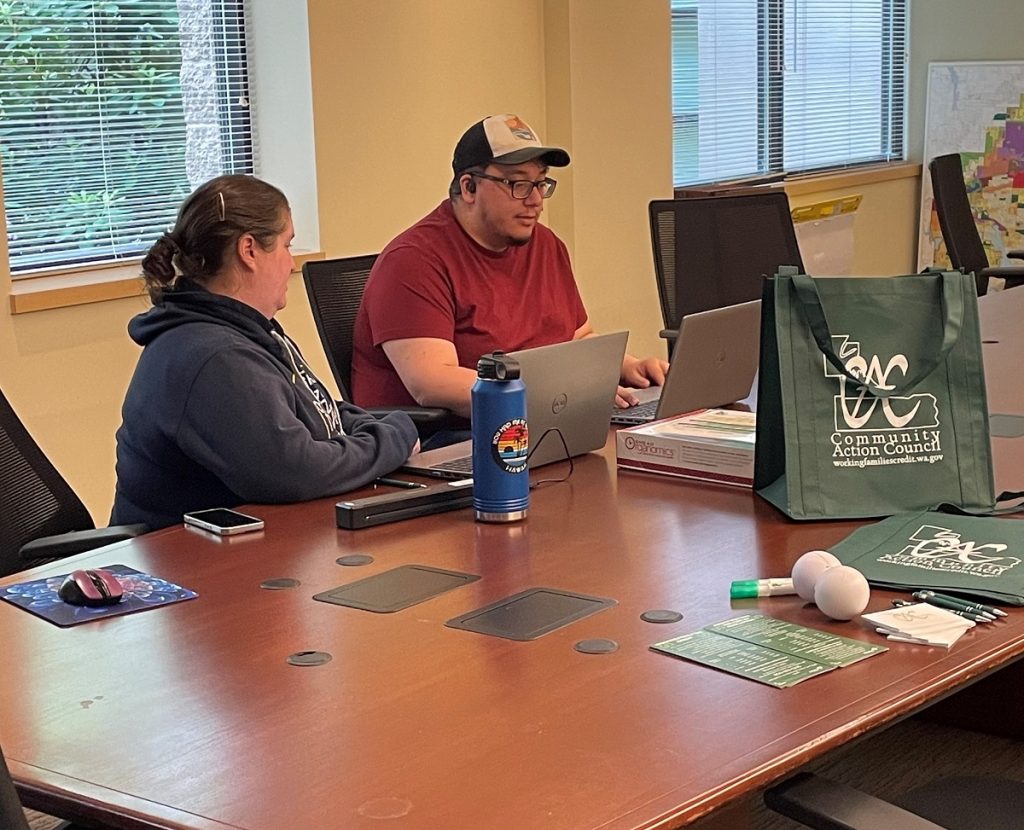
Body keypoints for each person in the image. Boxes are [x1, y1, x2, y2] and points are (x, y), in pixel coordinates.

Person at [111, 174, 419, 530]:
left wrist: (377, 427)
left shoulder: (245, 331)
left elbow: (314, 412)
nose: (291, 263)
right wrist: (393, 438)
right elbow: (296, 471)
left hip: (248, 543)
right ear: (249, 251)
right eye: (287, 246)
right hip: (188, 563)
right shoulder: (214, 357)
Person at [351, 113, 668, 422]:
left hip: (543, 419)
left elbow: (577, 337)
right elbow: (432, 384)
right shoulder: (414, 261)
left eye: (540, 184)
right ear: (468, 187)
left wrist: (626, 368)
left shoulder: (546, 245)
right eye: (518, 184)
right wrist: (559, 393)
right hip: (448, 440)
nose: (536, 201)